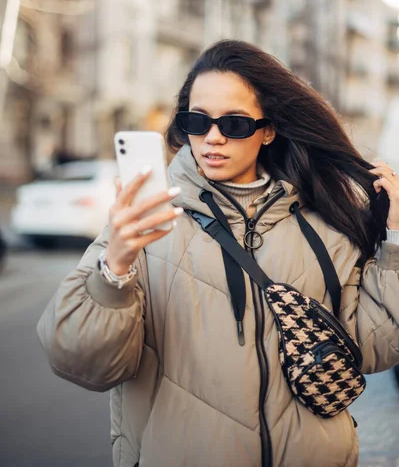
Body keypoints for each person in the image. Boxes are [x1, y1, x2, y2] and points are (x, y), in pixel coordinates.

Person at [38, 40, 399, 467]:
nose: (212, 137)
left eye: (234, 124)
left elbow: (377, 346)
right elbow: (82, 362)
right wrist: (113, 269)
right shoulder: (143, 225)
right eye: (197, 120)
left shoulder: (327, 227)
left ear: (269, 130)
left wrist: (394, 237)